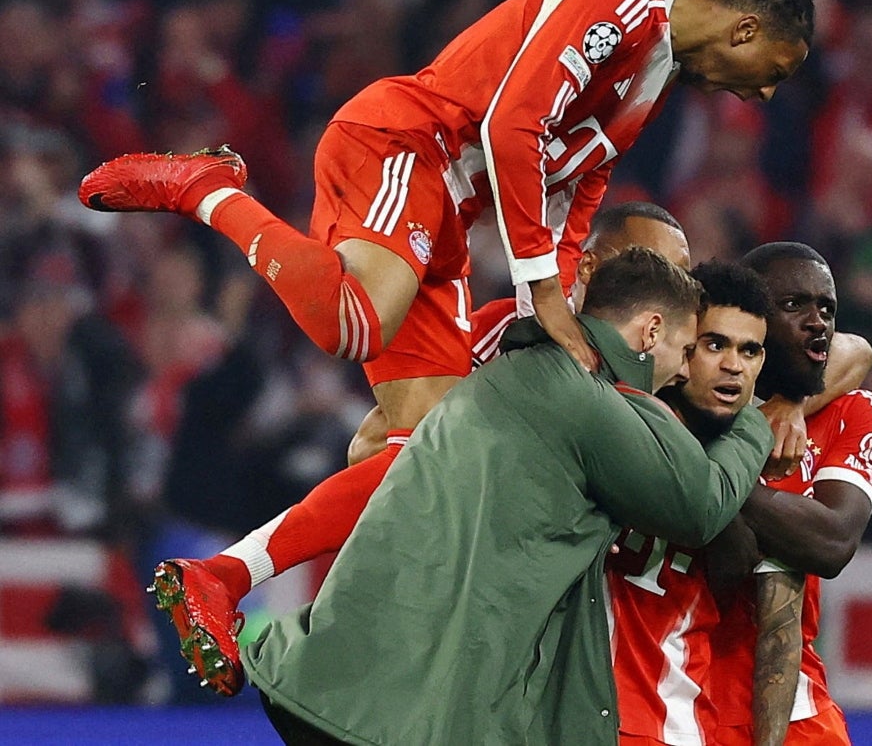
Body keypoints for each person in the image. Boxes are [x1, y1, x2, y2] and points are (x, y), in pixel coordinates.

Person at [78, 0, 813, 453]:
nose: (765, 94)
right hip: (406, 144)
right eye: (774, 72)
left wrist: (550, 306)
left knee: (421, 444)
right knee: (355, 322)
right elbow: (511, 124)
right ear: (744, 30)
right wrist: (546, 292)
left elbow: (578, 190)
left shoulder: (655, 75)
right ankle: (204, 189)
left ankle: (261, 584)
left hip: (449, 210)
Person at [148, 200, 691, 696]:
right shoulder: (513, 333)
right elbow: (384, 445)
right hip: (481, 627)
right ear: (591, 268)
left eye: (680, 277)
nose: (667, 291)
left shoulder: (693, 387)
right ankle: (229, 578)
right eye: (649, 268)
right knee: (418, 456)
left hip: (622, 653)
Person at [243, 248, 777, 746]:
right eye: (687, 351)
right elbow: (700, 505)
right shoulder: (584, 401)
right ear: (651, 330)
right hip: (409, 710)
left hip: (335, 682)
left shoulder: (517, 371)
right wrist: (755, 420)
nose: (685, 370)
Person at [607, 242, 872, 746]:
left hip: (795, 708)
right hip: (682, 696)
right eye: (794, 305)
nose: (817, 322)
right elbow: (730, 564)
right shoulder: (662, 410)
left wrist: (778, 411)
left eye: (827, 309)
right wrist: (734, 449)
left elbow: (832, 543)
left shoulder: (848, 408)